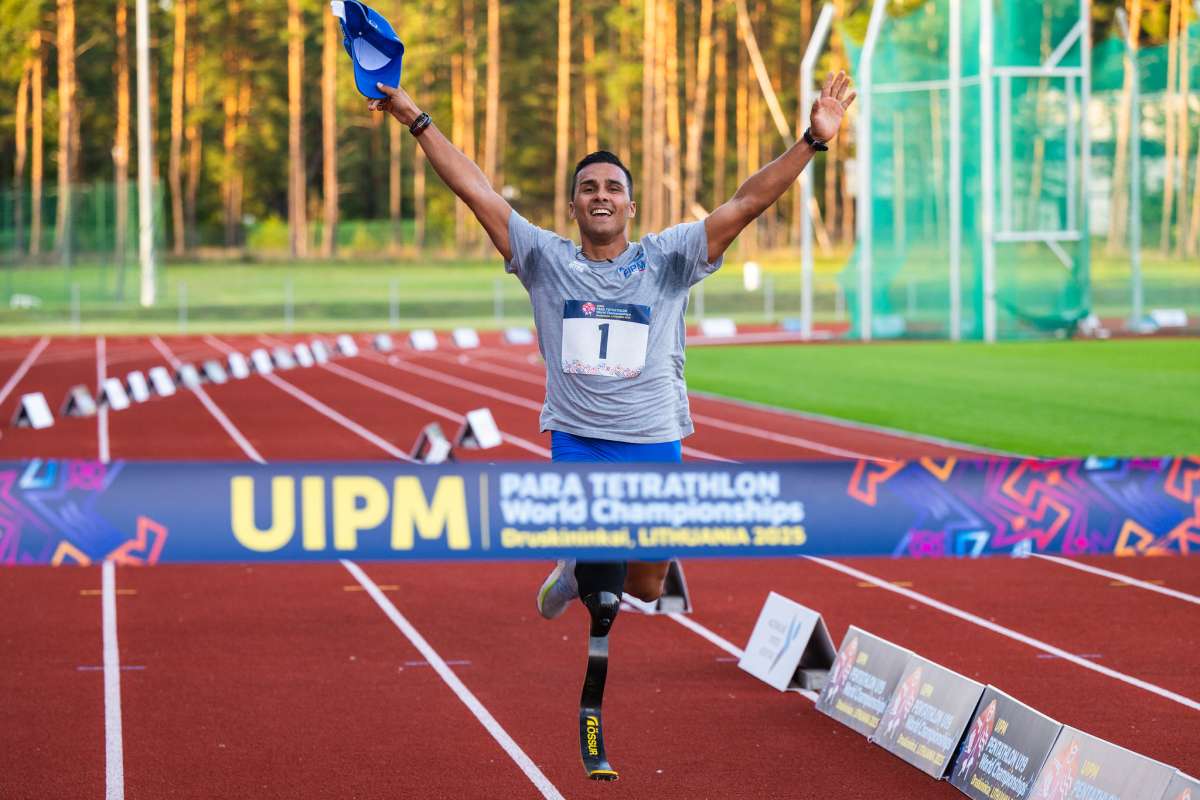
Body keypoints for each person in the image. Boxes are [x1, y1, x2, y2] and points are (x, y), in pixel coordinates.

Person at [369, 70, 856, 617]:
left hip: (653, 438)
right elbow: (475, 190)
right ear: (573, 207)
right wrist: (416, 119)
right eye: (588, 188)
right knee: (599, 550)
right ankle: (580, 561)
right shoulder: (544, 259)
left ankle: (577, 568)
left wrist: (811, 141)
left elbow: (745, 204)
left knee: (646, 587)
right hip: (580, 439)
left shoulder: (668, 258)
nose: (601, 195)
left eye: (613, 188)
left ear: (630, 207)